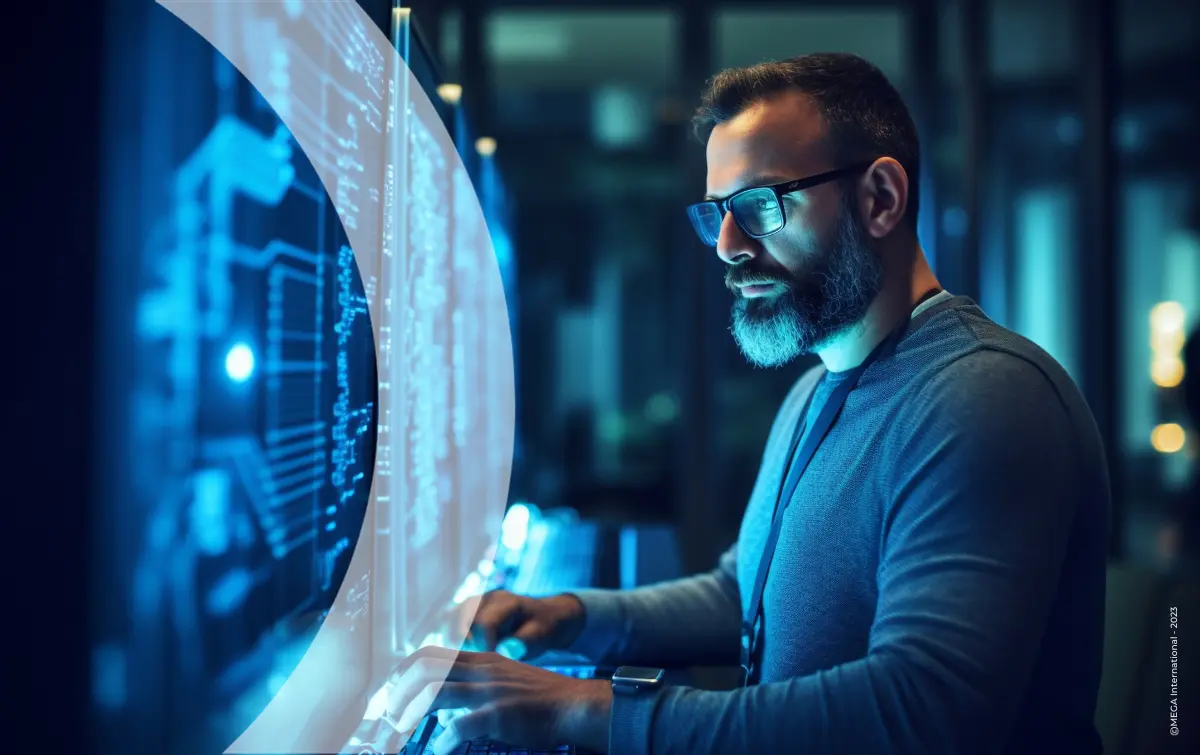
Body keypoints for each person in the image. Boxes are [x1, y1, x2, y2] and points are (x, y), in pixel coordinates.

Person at [383, 53, 1111, 755]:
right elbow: (748, 597)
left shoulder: (984, 397)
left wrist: (578, 707)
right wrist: (569, 617)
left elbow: (920, 713)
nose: (727, 245)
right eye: (717, 214)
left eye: (759, 205)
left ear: (881, 198)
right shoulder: (815, 389)